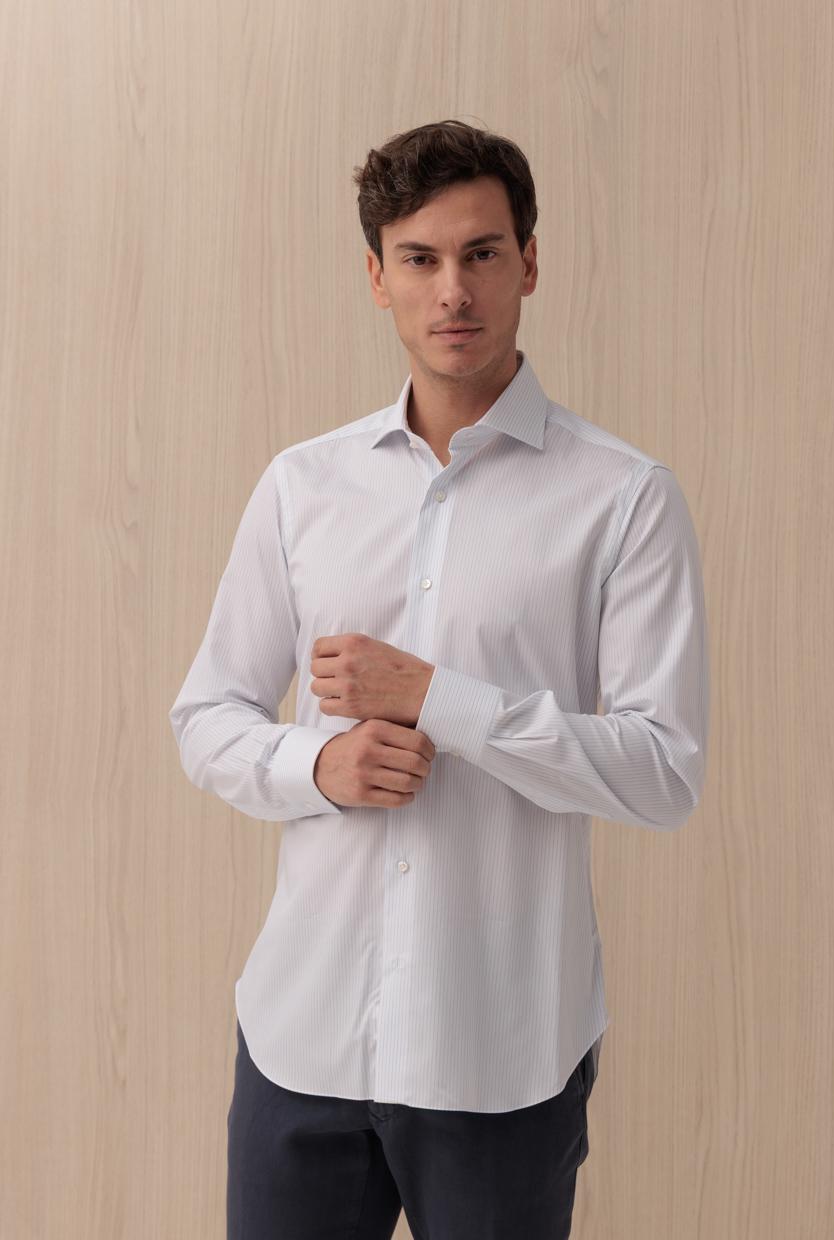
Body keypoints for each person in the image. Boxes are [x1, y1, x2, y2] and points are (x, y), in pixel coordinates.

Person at [169, 118, 709, 1240]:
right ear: (378, 277)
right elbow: (207, 716)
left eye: (481, 253)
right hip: (301, 1044)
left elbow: (663, 771)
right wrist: (316, 764)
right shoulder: (301, 486)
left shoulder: (623, 498)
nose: (452, 290)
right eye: (419, 258)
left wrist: (438, 699)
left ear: (529, 264)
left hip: (498, 1059)